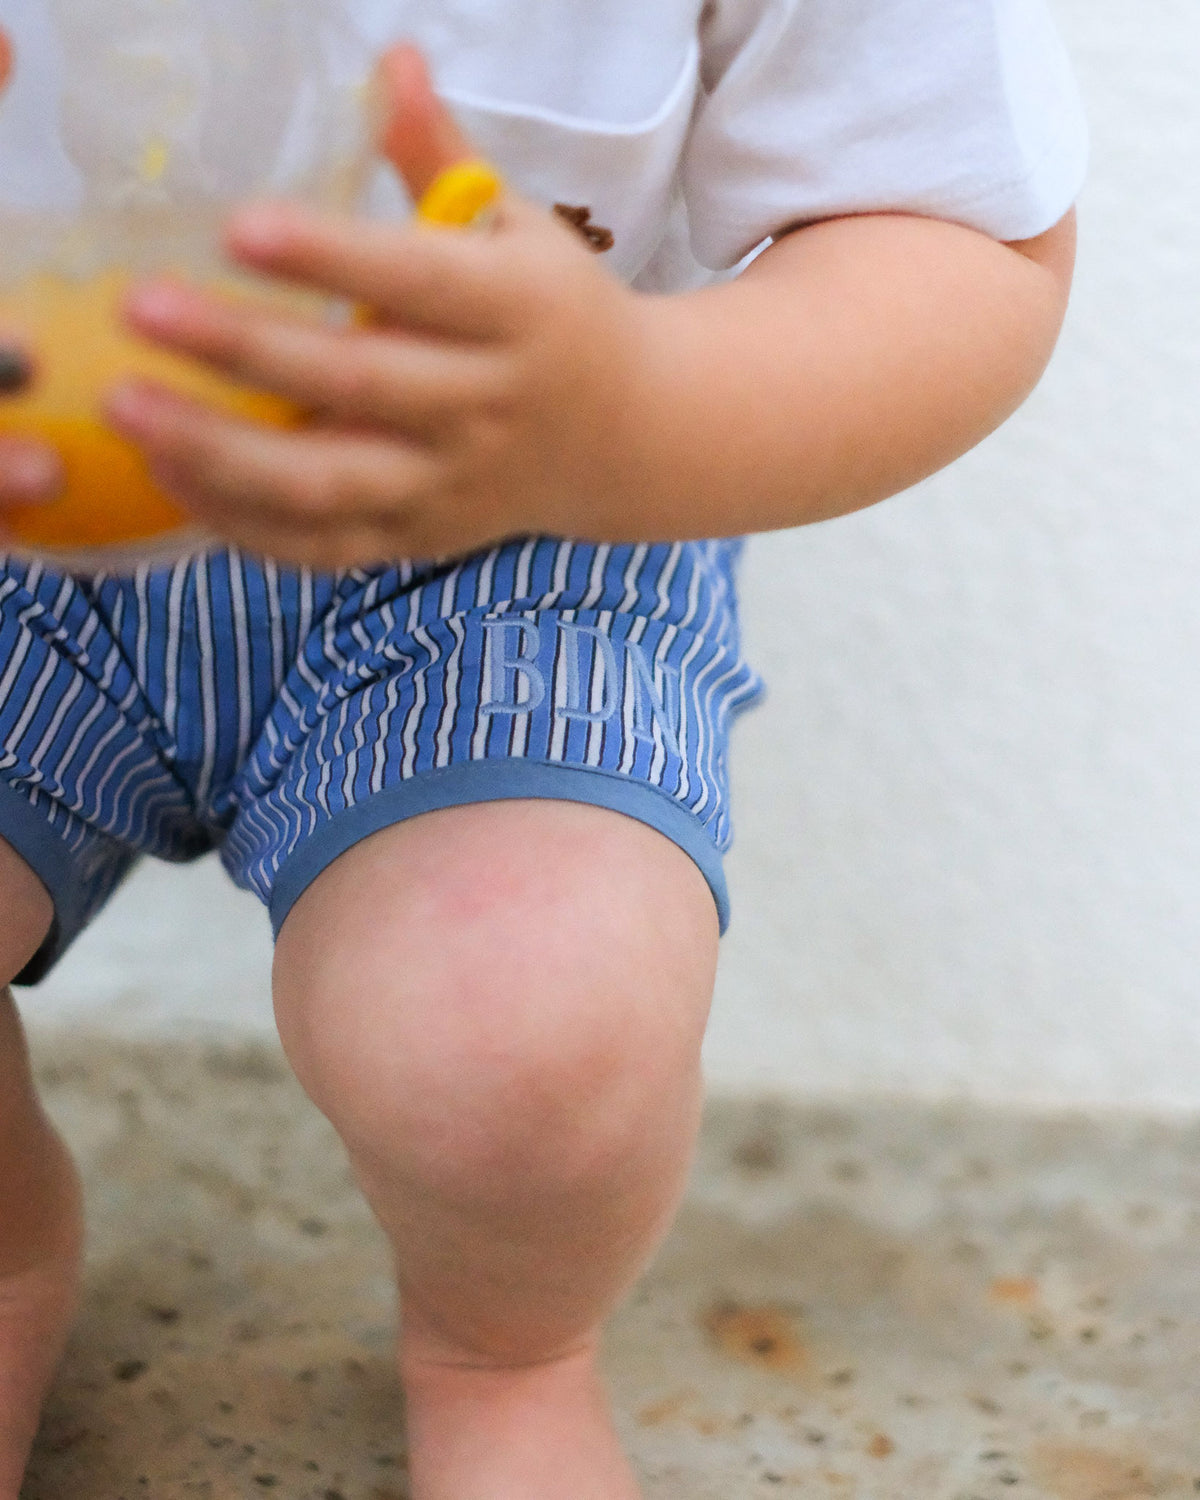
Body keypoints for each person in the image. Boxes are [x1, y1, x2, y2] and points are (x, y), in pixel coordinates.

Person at [0, 3, 1085, 1496]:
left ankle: (501, 1347)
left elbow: (959, 231)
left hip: (527, 521)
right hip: (28, 478)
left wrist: (626, 408)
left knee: (521, 1034)